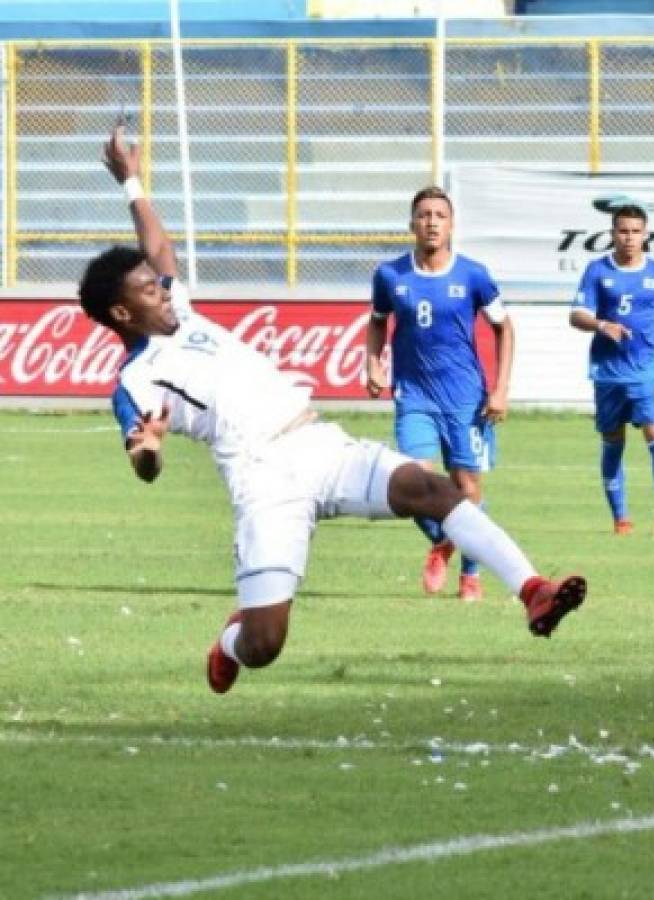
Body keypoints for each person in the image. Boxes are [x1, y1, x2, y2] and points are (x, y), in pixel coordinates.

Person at [80, 125, 585, 695]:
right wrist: (149, 452)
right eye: (150, 291)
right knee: (264, 646)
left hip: (319, 444)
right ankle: (229, 642)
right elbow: (141, 458)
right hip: (262, 481)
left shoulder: (182, 311)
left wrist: (131, 180)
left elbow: (159, 249)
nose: (164, 290)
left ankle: (532, 591)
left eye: (160, 284)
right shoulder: (136, 379)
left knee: (436, 490)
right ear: (122, 314)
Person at [364, 187, 513, 602]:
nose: (432, 222)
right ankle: (444, 538)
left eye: (440, 215)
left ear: (451, 224)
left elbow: (505, 328)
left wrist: (500, 389)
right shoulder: (390, 275)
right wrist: (373, 362)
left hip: (466, 399)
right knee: (412, 482)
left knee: (467, 486)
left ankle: (469, 573)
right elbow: (377, 322)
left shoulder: (473, 275)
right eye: (424, 214)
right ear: (412, 223)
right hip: (415, 396)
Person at [569, 204, 654, 537]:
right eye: (623, 231)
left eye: (635, 231)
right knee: (613, 441)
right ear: (613, 233)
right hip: (609, 373)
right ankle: (621, 518)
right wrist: (602, 324)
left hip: (648, 369)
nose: (629, 238)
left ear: (645, 235)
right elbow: (576, 316)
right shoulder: (596, 271)